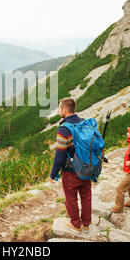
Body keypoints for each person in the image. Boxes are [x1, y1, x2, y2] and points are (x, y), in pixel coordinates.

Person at [49, 97, 91, 234]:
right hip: (86, 168)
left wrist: (53, 174)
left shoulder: (64, 129)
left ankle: (75, 225)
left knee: (71, 199)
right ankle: (86, 224)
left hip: (71, 170)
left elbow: (59, 155)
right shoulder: (84, 123)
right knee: (86, 196)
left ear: (65, 110)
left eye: (60, 108)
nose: (59, 111)